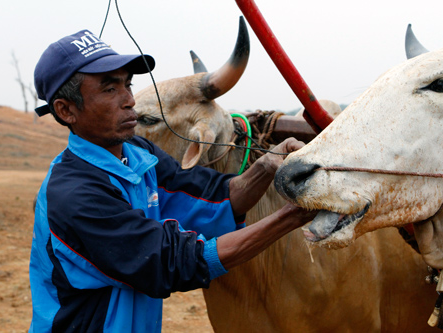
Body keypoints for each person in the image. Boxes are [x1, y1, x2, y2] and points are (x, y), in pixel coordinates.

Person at [29, 29, 314, 332]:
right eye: (109, 89)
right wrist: (290, 217)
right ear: (66, 110)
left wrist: (267, 165)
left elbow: (211, 198)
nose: (129, 101)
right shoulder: (74, 195)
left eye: (127, 84)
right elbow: (173, 261)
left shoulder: (139, 154)